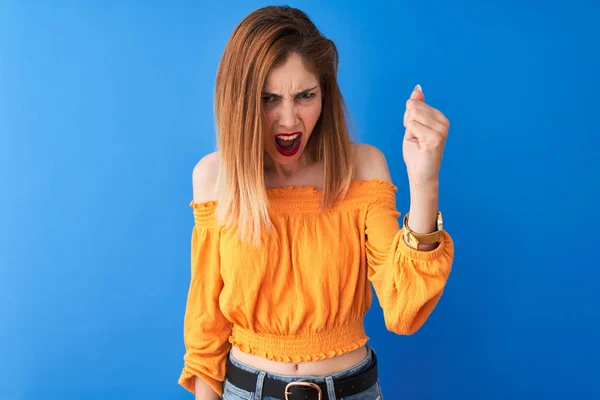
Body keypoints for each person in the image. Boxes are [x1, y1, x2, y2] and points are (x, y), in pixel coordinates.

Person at [178, 5, 454, 400]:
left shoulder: (363, 167)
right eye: (268, 98)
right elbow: (206, 331)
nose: (288, 120)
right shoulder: (215, 178)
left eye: (305, 95)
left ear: (325, 93)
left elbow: (404, 309)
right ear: (239, 102)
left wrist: (424, 179)